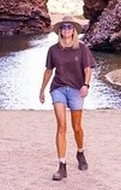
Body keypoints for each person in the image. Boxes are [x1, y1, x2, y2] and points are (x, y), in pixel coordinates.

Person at [39, 15, 97, 181]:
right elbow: (49, 70)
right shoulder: (53, 50)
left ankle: (80, 152)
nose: (66, 30)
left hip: (76, 90)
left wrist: (86, 85)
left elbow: (88, 69)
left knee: (77, 127)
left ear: (73, 31)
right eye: (63, 27)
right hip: (58, 89)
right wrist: (42, 90)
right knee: (61, 126)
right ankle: (62, 165)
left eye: (69, 27)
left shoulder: (82, 48)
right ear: (60, 30)